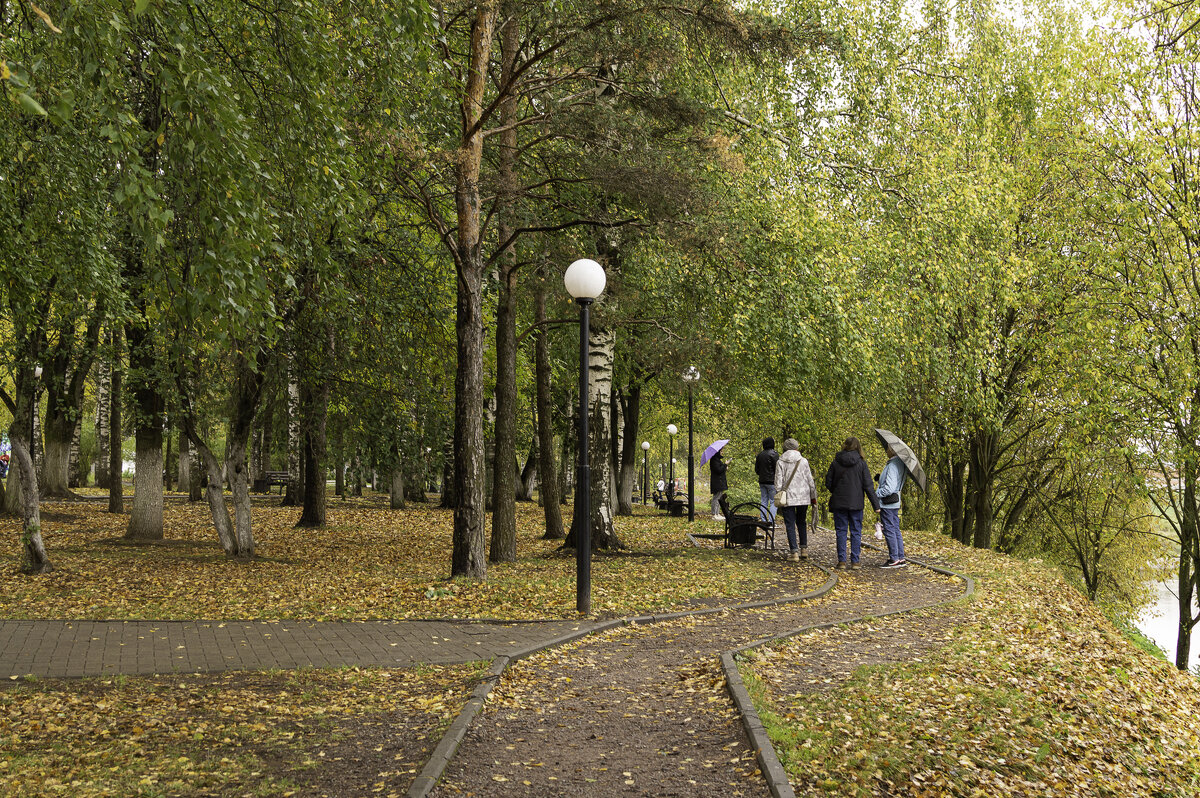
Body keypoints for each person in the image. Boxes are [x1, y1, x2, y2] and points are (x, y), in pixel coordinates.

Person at [824, 436, 880, 570]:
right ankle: (855, 561)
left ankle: (842, 561)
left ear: (845, 446)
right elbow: (868, 485)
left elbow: (828, 482)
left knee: (841, 531)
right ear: (858, 447)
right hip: (856, 503)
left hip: (839, 502)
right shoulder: (861, 463)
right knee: (856, 531)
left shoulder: (836, 462)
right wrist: (876, 505)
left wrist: (836, 490)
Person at [774, 439, 817, 561]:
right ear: (796, 448)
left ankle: (794, 552)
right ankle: (804, 549)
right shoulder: (803, 461)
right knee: (802, 522)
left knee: (790, 524)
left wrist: (780, 491)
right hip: (803, 497)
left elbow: (778, 483)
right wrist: (813, 496)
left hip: (788, 498)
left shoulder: (780, 462)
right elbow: (810, 481)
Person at [876, 443, 909, 568]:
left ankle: (894, 558)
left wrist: (877, 494)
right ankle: (900, 557)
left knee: (889, 529)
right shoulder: (900, 464)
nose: (887, 450)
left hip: (888, 503)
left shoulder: (893, 466)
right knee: (895, 529)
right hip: (895, 501)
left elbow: (889, 488)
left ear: (893, 451)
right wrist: (880, 479)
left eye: (888, 448)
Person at [754, 438, 780, 522]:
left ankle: (763, 520)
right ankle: (771, 521)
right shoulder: (774, 454)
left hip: (762, 481)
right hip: (772, 482)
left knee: (764, 501)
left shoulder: (759, 455)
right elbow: (777, 469)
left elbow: (757, 470)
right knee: (773, 502)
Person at [709, 449, 729, 520]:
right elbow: (718, 470)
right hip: (717, 482)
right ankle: (714, 514)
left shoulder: (717, 460)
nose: (722, 452)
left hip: (719, 482)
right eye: (721, 451)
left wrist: (724, 467)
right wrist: (725, 464)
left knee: (719, 497)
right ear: (718, 452)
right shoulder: (714, 460)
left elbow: (720, 469)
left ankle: (717, 513)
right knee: (716, 497)